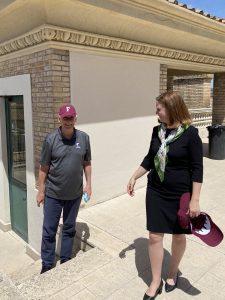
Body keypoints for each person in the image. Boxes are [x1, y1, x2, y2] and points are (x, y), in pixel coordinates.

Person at [127, 91, 203, 300]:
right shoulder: (156, 131)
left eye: (159, 108)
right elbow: (150, 158)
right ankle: (155, 281)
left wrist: (195, 199)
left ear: (171, 109)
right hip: (156, 192)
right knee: (154, 236)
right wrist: (135, 176)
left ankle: (172, 272)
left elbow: (197, 169)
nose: (156, 112)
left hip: (180, 194)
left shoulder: (190, 134)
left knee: (178, 235)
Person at [36, 103, 92, 274]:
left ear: (76, 118)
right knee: (49, 230)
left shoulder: (84, 138)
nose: (68, 121)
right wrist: (41, 190)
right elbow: (44, 167)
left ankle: (66, 259)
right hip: (53, 194)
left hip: (74, 194)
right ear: (59, 118)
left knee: (69, 228)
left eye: (71, 118)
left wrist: (89, 184)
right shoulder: (50, 139)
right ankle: (47, 263)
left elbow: (87, 163)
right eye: (65, 118)